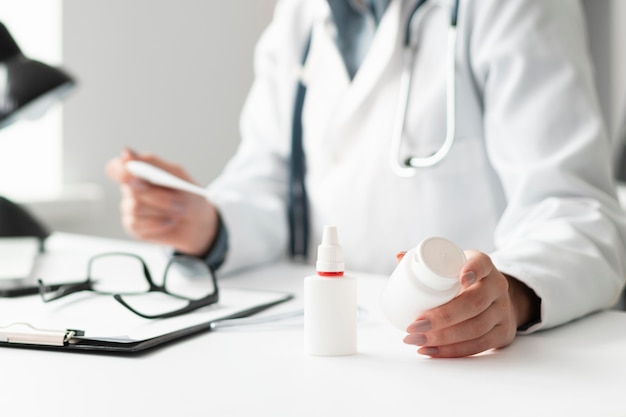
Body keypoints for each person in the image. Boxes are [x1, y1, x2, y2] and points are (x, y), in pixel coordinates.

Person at [106, 0, 626, 358]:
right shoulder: (302, 14)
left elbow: (579, 213)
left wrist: (510, 294)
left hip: (470, 363)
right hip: (321, 348)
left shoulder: (506, 8)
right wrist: (207, 222)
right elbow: (269, 181)